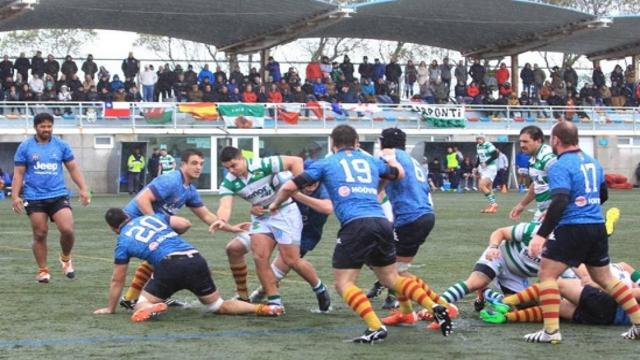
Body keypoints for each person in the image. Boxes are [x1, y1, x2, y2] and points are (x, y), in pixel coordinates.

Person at [269, 125, 452, 343]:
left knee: (343, 283)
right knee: (391, 277)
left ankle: (375, 327)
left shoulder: (326, 163)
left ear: (332, 143)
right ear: (357, 143)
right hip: (382, 222)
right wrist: (381, 182)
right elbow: (397, 173)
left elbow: (289, 187)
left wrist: (274, 204)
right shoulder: (371, 161)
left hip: (356, 225)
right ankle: (435, 306)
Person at [525, 121, 640, 343]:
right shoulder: (593, 162)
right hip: (596, 226)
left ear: (556, 140)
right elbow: (603, 195)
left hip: (573, 227)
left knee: (547, 275)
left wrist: (541, 234)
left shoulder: (559, 166)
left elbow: (559, 200)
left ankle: (550, 332)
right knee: (606, 279)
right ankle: (638, 322)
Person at [94, 209, 284, 321]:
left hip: (170, 266)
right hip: (195, 258)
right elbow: (183, 224)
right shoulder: (151, 217)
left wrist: (110, 308)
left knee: (140, 302)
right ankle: (264, 309)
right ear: (128, 215)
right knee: (218, 305)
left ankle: (149, 306)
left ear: (113, 228)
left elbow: (117, 279)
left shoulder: (122, 242)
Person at [119, 149, 248, 309]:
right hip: (133, 223)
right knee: (181, 227)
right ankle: (137, 297)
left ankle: (134, 297)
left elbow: (207, 216)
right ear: (183, 165)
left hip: (147, 224)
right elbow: (142, 200)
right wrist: (157, 225)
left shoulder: (190, 190)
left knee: (164, 252)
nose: (199, 167)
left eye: (201, 164)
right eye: (194, 163)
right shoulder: (171, 180)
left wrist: (232, 228)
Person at [211, 147, 330, 311]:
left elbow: (296, 161)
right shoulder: (229, 182)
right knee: (259, 256)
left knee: (291, 260)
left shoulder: (263, 164)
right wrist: (221, 219)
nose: (231, 171)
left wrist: (298, 184)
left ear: (242, 158)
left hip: (285, 212)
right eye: (227, 168)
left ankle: (319, 287)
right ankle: (275, 301)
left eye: (234, 165)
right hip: (262, 218)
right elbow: (225, 205)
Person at [373, 128, 453, 329]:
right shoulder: (411, 159)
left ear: (384, 143)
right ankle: (407, 313)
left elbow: (391, 176)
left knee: (391, 272)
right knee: (398, 270)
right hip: (423, 215)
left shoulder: (390, 156)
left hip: (411, 218)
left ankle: (441, 307)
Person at [12, 112, 91, 283]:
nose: (46, 129)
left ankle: (65, 258)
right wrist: (15, 195)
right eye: (43, 126)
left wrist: (83, 188)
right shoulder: (25, 147)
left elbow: (73, 168)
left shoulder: (61, 145)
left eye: (49, 126)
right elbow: (18, 173)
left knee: (67, 229)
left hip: (58, 194)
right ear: (36, 127)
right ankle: (43, 270)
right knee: (40, 234)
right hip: (34, 197)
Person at [247, 162, 333, 305]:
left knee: (282, 268)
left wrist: (295, 194)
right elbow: (264, 197)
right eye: (307, 180)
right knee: (254, 254)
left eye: (314, 181)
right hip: (279, 224)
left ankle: (319, 289)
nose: (310, 184)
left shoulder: (323, 188)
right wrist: (254, 208)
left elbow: (327, 208)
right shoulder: (287, 181)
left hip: (306, 234)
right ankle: (252, 296)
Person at [480, 263, 640, 327]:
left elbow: (627, 293)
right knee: (553, 307)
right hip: (607, 320)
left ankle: (507, 301)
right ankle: (508, 316)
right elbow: (628, 269)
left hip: (610, 305)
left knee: (557, 284)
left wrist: (601, 285)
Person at [510, 126, 556, 222]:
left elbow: (568, 185)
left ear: (538, 141)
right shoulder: (534, 158)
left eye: (526, 141)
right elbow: (536, 183)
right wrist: (522, 205)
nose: (522, 145)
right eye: (521, 142)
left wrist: (553, 210)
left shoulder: (548, 159)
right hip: (543, 211)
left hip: (555, 213)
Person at [475, 135, 499, 213]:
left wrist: (486, 162)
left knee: (481, 185)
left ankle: (494, 204)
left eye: (480, 138)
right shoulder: (478, 146)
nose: (479, 140)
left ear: (484, 139)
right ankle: (492, 207)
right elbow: (479, 157)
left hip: (490, 168)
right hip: (484, 169)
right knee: (489, 188)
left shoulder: (488, 144)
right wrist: (475, 167)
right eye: (477, 139)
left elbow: (495, 155)